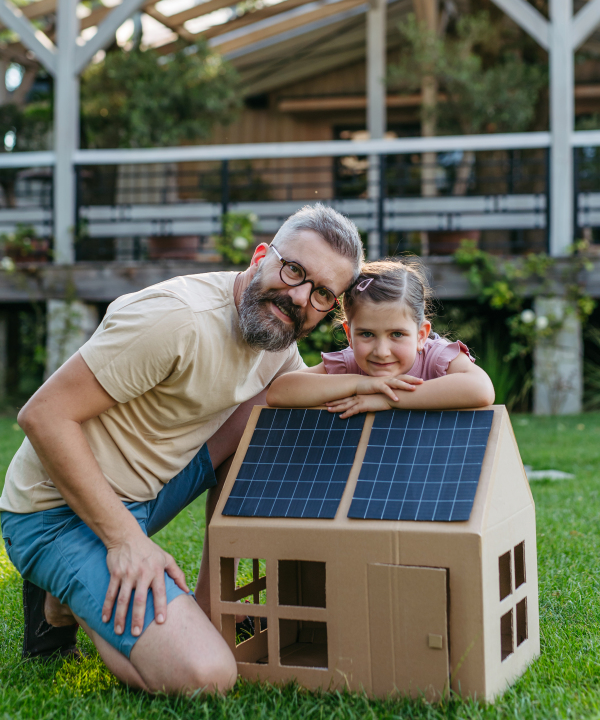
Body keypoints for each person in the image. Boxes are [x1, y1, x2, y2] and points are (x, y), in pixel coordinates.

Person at [0, 204, 363, 695]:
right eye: (294, 269)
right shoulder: (176, 319)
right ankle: (60, 601)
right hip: (57, 510)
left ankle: (208, 606)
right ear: (261, 256)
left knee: (271, 412)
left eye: (322, 293)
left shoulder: (276, 337)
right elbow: (42, 415)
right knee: (205, 676)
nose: (299, 297)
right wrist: (127, 541)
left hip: (154, 488)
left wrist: (404, 368)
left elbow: (317, 387)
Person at [268, 258, 495, 416]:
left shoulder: (436, 357)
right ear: (349, 334)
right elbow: (280, 392)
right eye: (366, 334)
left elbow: (480, 389)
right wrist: (364, 384)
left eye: (397, 334)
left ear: (421, 335)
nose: (381, 351)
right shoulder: (350, 364)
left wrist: (388, 399)